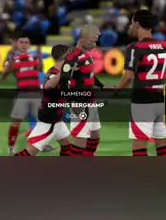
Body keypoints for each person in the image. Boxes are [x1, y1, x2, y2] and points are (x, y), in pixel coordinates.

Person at [116, 9, 166, 156]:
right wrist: (158, 82)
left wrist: (115, 90)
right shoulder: (165, 46)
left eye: (132, 23)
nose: (131, 26)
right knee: (163, 147)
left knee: (139, 148)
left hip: (142, 102)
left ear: (137, 24)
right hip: (161, 100)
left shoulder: (134, 48)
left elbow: (128, 76)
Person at [14, 45, 71, 156]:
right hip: (49, 121)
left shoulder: (54, 71)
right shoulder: (54, 74)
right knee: (29, 152)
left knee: (67, 146)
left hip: (57, 120)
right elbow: (49, 86)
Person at [60, 24, 104, 156]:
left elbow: (89, 75)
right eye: (92, 41)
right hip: (80, 102)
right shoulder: (72, 57)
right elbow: (63, 81)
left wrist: (101, 85)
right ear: (82, 39)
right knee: (80, 139)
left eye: (96, 41)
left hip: (91, 100)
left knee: (95, 135)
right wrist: (71, 102)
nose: (95, 45)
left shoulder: (86, 55)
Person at [1, 33, 43, 155]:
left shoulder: (34, 58)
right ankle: (11, 147)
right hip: (22, 95)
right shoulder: (14, 59)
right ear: (17, 44)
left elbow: (40, 68)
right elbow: (6, 72)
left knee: (43, 121)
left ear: (29, 45)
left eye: (26, 42)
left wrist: (40, 54)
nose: (24, 44)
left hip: (36, 94)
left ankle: (39, 144)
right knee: (16, 122)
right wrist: (12, 54)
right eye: (21, 42)